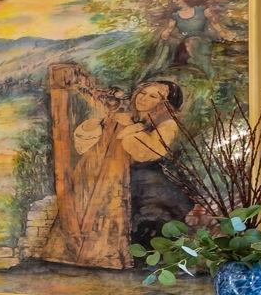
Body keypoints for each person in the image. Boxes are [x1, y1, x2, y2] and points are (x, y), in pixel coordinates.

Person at [36, 65, 186, 269]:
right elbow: (83, 146)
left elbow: (147, 153)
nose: (144, 98)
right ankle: (78, 251)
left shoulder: (168, 125)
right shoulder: (123, 116)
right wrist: (99, 120)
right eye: (143, 92)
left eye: (154, 97)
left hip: (147, 187)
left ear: (165, 104)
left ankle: (111, 255)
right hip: (117, 181)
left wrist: (131, 129)